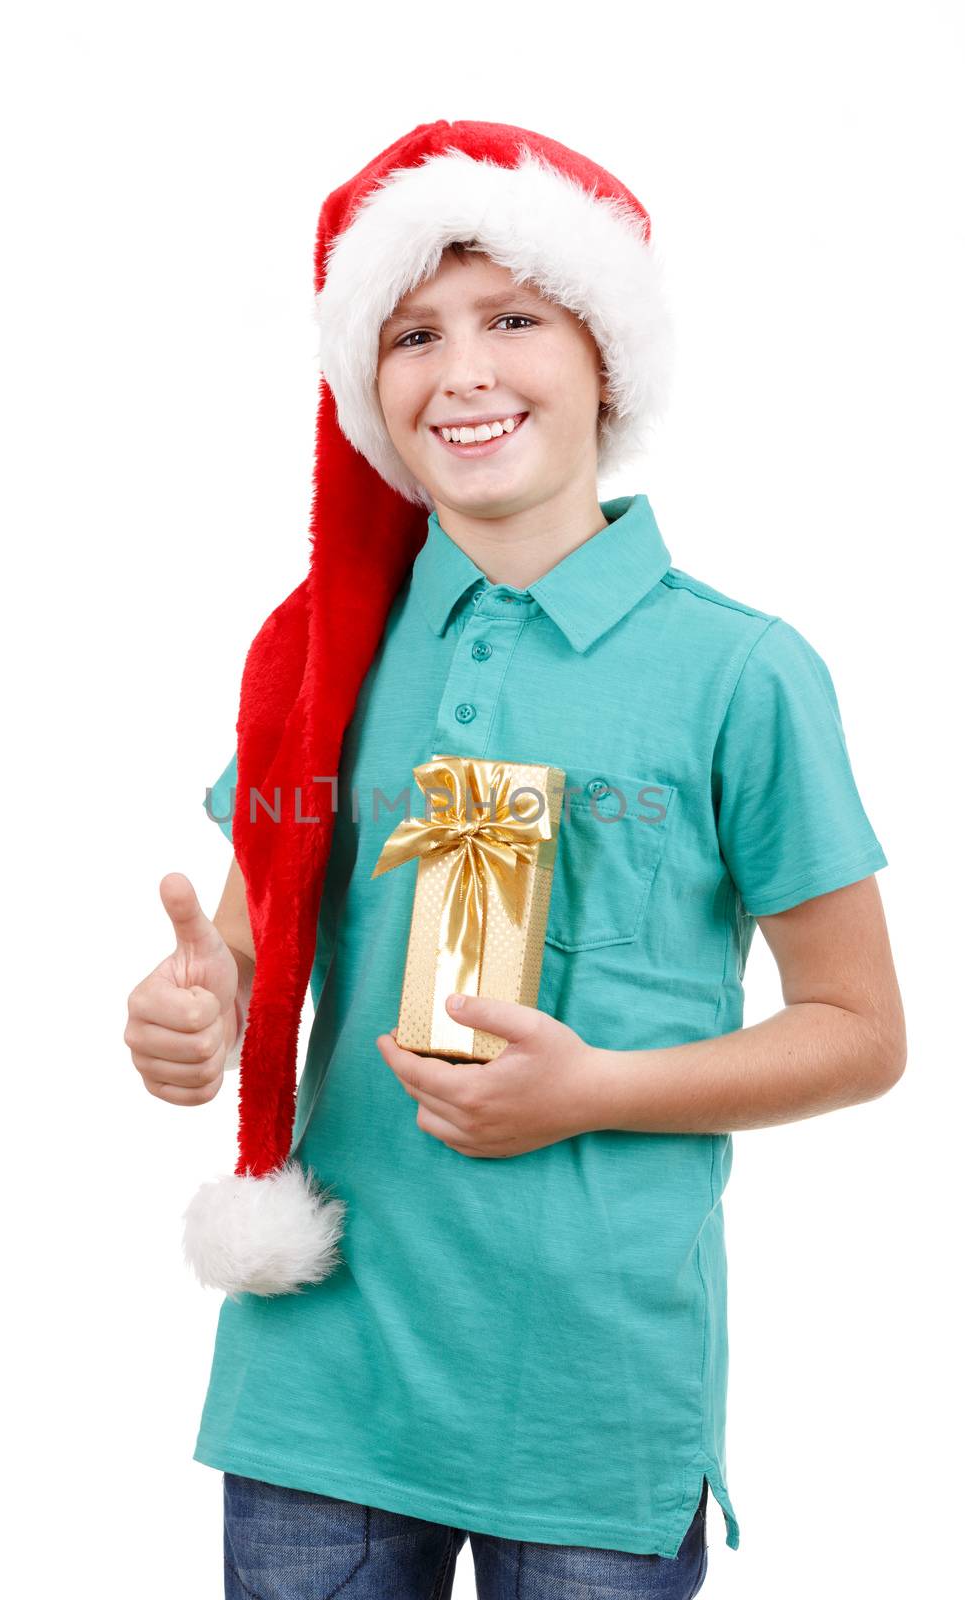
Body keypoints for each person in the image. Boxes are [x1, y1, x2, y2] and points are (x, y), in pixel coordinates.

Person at [124, 121, 906, 1600]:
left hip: (592, 1403)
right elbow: (246, 944)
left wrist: (596, 1091)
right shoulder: (316, 650)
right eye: (413, 333)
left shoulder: (740, 673)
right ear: (369, 388)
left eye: (513, 317)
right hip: (320, 1380)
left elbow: (862, 1035)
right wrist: (196, 1009)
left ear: (605, 355)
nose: (463, 370)